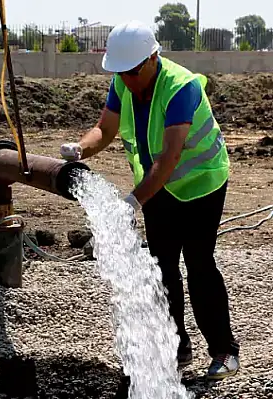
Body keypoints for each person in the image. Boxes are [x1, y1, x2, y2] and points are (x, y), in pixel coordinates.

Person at [59, 20, 239, 380]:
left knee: (199, 264)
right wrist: (81, 148)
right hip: (157, 188)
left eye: (132, 71)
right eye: (120, 73)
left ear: (153, 58)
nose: (127, 79)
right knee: (162, 266)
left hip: (201, 183)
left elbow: (169, 157)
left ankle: (224, 352)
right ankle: (176, 347)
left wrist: (133, 201)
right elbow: (105, 129)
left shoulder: (181, 87)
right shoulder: (123, 82)